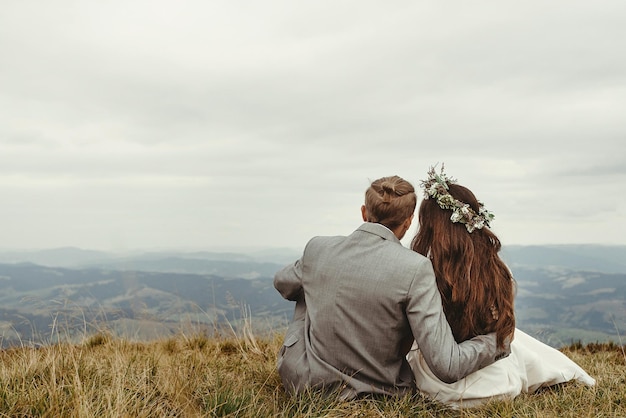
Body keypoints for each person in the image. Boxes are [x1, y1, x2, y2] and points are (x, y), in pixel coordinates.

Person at [273, 175, 511, 400]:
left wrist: (322, 277)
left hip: (302, 381)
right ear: (408, 222)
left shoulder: (318, 248)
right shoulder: (415, 268)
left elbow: (283, 284)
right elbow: (447, 366)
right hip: (376, 391)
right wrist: (498, 342)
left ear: (364, 212)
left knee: (305, 285)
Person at [407, 165, 596, 408]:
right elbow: (500, 332)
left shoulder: (422, 271)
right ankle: (562, 373)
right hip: (496, 388)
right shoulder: (495, 270)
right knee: (513, 343)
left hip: (436, 389)